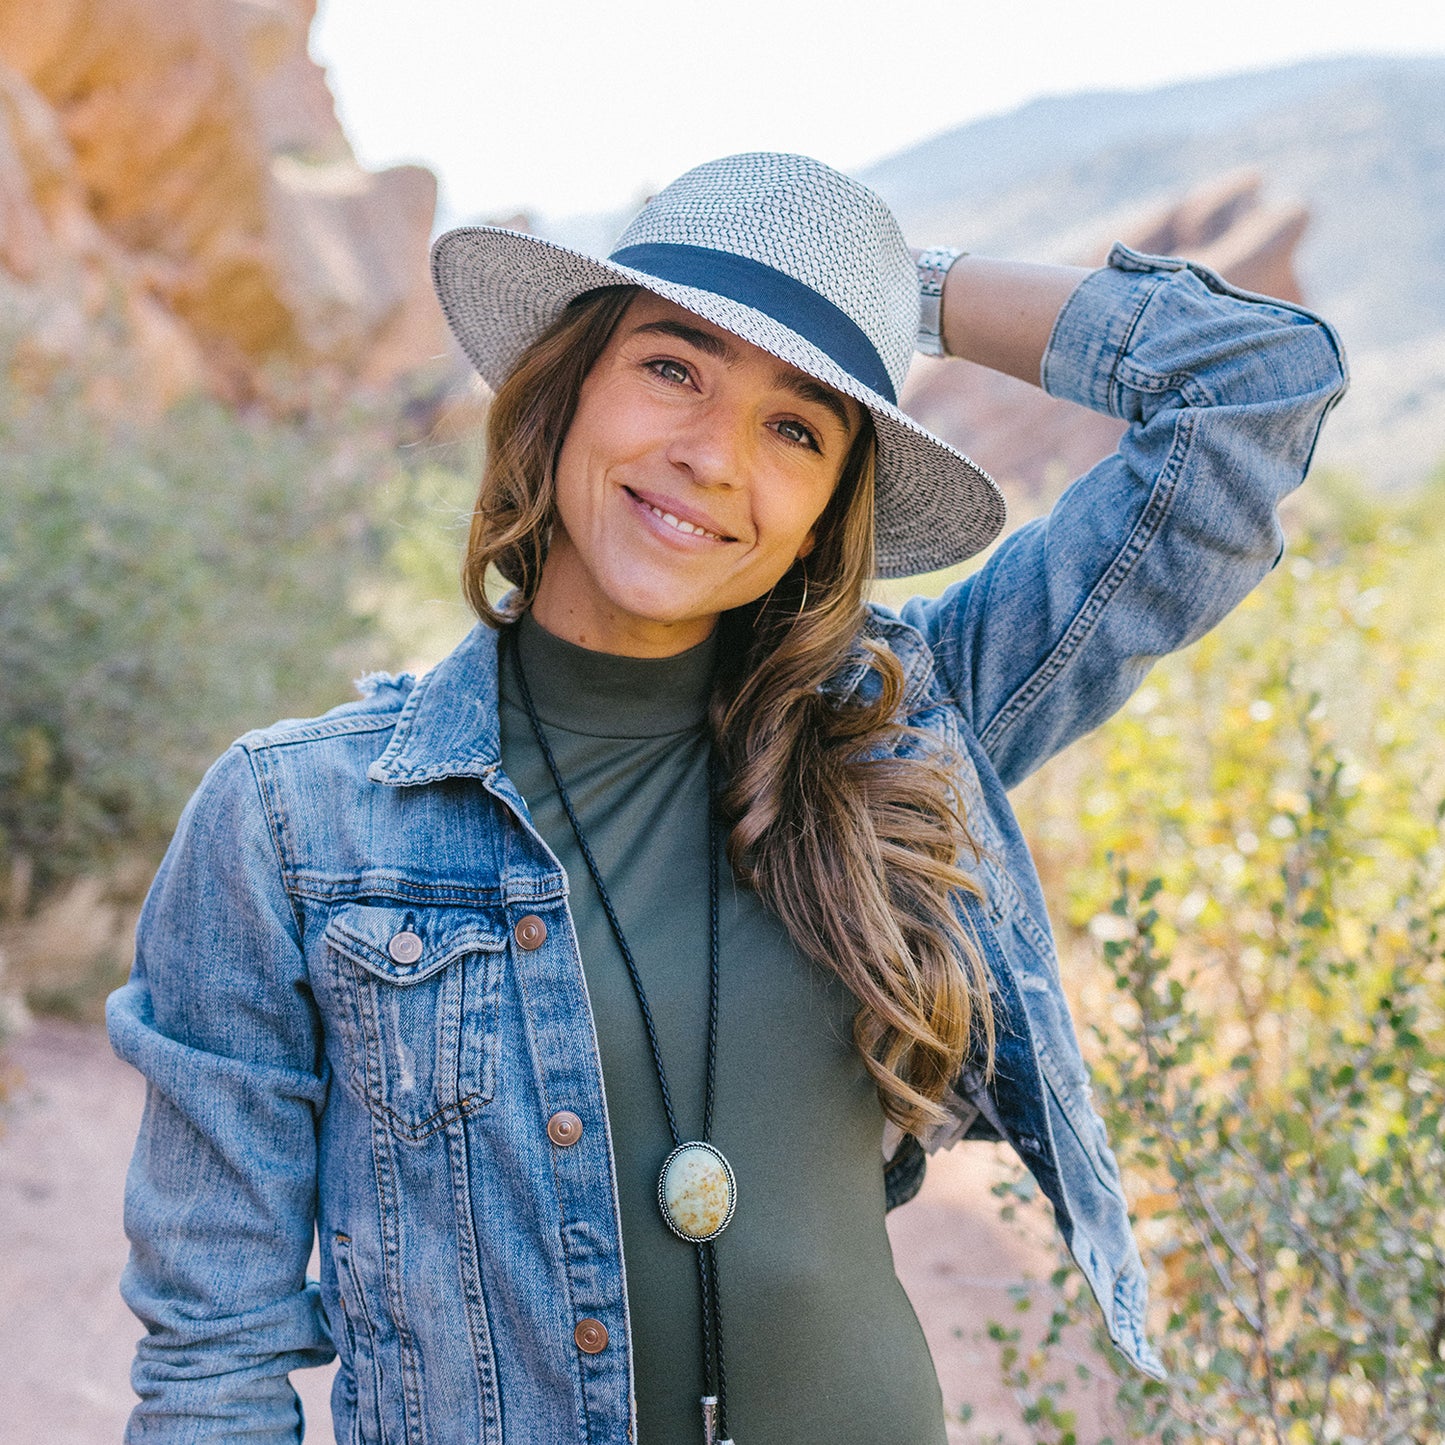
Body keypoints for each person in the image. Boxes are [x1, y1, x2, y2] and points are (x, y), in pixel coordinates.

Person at [108, 152, 1347, 1444]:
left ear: (823, 514)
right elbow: (213, 1362)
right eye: (672, 365)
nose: (710, 456)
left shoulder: (903, 731)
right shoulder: (291, 825)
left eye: (795, 425)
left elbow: (1251, 393)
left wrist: (890, 297)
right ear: (569, 382)